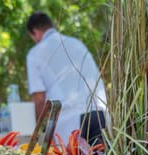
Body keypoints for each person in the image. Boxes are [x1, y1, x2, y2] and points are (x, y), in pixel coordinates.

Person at [25, 12, 108, 145]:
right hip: (101, 114)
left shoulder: (35, 54)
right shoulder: (77, 44)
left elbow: (39, 100)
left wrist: (40, 133)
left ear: (35, 32)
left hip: (71, 122)